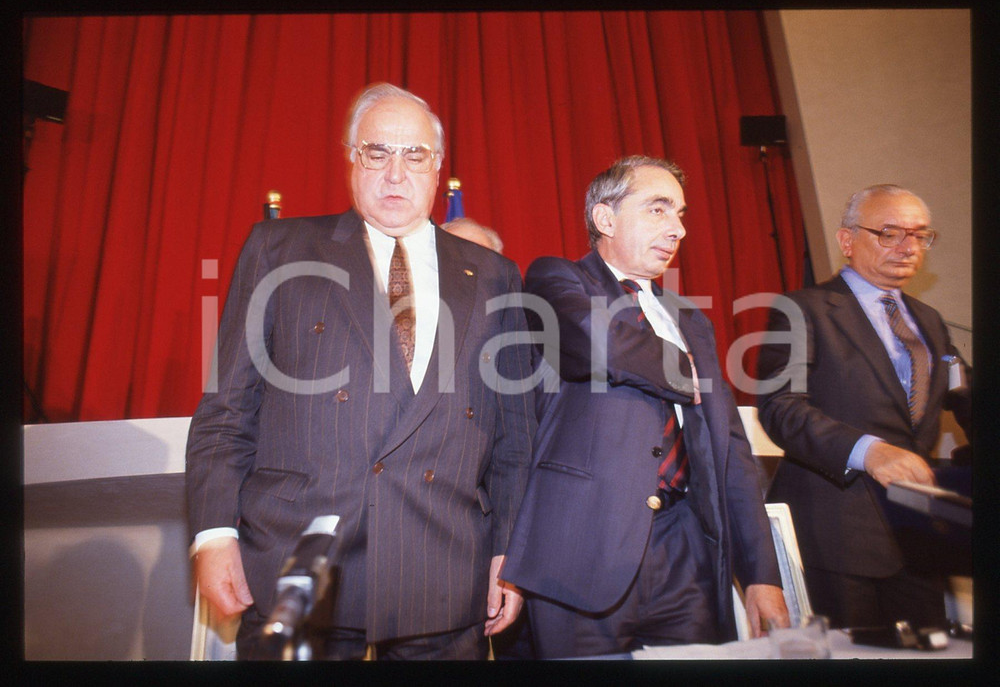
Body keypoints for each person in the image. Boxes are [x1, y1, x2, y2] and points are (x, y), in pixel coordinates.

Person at [185, 82, 534, 660]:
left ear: (437, 164)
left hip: (444, 576)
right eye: (378, 152)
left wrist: (510, 550)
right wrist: (214, 534)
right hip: (300, 567)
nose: (397, 174)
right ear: (351, 158)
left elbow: (514, 436)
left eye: (415, 155)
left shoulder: (495, 274)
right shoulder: (280, 250)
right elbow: (227, 410)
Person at [501, 155, 788, 659]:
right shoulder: (558, 279)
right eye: (658, 209)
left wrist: (762, 574)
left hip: (688, 554)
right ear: (605, 219)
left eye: (680, 214)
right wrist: (687, 374)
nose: (677, 228)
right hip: (581, 556)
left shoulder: (691, 320)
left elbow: (730, 454)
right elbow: (600, 342)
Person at [756, 183, 972, 631]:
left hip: (919, 539)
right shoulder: (801, 309)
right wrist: (869, 450)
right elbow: (781, 408)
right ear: (847, 240)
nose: (908, 247)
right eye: (890, 233)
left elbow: (964, 396)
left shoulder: (929, 320)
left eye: (920, 235)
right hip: (835, 532)